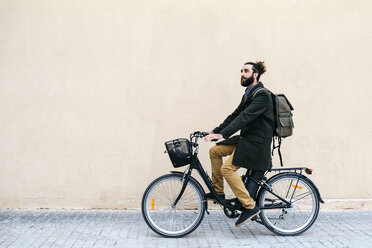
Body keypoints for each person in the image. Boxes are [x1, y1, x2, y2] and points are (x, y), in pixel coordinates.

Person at [204, 61, 275, 227]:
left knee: (227, 169)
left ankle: (250, 207)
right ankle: (218, 192)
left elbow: (245, 118)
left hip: (256, 144)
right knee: (215, 151)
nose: (242, 74)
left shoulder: (262, 95)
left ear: (255, 74)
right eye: (241, 71)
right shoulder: (249, 93)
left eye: (246, 71)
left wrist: (223, 134)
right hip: (247, 140)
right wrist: (214, 132)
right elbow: (235, 115)